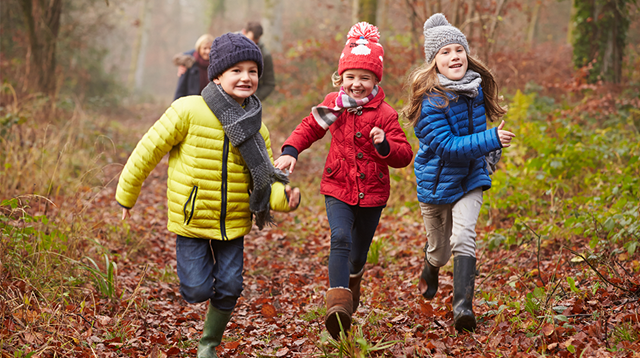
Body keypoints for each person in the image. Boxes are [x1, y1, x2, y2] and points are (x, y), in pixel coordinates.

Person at [116, 32, 301, 358]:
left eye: (252, 71)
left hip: (233, 220)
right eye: (237, 70)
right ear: (217, 74)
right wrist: (126, 196)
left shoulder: (258, 126)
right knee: (196, 289)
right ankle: (200, 299)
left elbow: (266, 178)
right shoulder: (187, 110)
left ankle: (208, 345)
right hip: (192, 217)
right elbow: (146, 152)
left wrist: (284, 198)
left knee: (231, 286)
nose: (246, 77)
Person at [274, 22, 413, 339]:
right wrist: (291, 150)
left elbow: (404, 155)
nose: (357, 84)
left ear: (376, 79)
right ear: (341, 78)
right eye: (350, 77)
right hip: (338, 186)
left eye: (365, 78)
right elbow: (310, 126)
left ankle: (353, 282)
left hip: (373, 192)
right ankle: (337, 302)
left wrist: (384, 146)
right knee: (340, 238)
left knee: (358, 254)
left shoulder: (386, 114)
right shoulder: (334, 104)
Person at [402, 13, 515, 332]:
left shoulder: (475, 90)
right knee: (440, 250)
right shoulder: (429, 103)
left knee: (464, 236)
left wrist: (491, 150)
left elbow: (475, 138)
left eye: (458, 50)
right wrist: (490, 138)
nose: (454, 56)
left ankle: (463, 306)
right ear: (433, 62)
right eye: (445, 52)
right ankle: (431, 264)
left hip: (470, 178)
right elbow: (449, 146)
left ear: (467, 54)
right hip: (437, 184)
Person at [241, 21, 276, 101]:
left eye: (256, 39)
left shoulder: (265, 55)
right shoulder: (228, 45)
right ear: (244, 32)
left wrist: (254, 98)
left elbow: (269, 83)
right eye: (251, 39)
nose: (253, 43)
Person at [173, 34, 214, 100]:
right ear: (199, 49)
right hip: (191, 102)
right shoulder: (189, 64)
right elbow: (181, 88)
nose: (208, 51)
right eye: (205, 48)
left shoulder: (216, 65)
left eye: (210, 48)